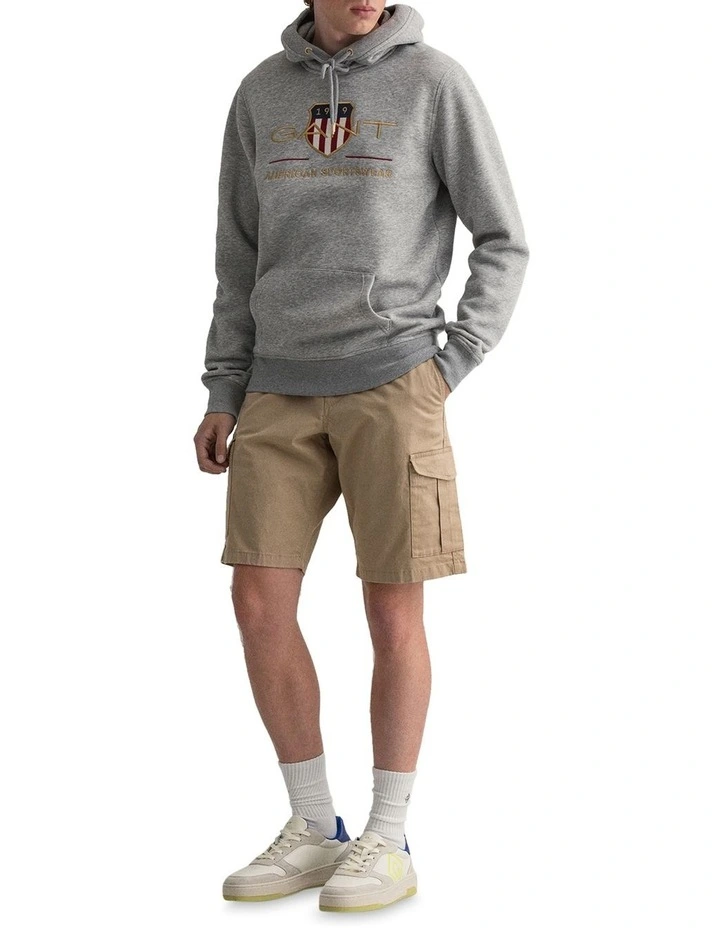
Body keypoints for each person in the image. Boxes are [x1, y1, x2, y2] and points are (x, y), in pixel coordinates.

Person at [193, 0, 529, 913]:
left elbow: (503, 236)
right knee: (258, 602)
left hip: (394, 380)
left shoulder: (434, 83)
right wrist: (224, 387)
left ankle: (388, 835)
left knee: (391, 610)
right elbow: (238, 253)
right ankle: (314, 826)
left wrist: (451, 362)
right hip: (276, 385)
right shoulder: (260, 93)